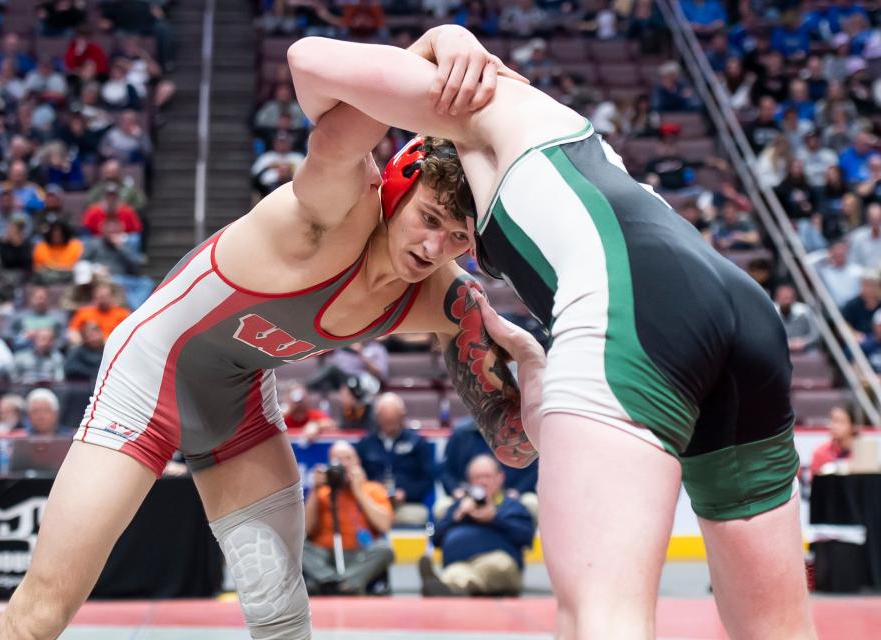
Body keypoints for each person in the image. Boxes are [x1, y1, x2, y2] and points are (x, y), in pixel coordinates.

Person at [0, 29, 528, 640]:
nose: (435, 249)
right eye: (429, 219)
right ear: (397, 189)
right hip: (150, 373)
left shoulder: (446, 297)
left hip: (235, 396)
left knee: (282, 622)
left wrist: (534, 376)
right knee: (40, 615)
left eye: (459, 238)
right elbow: (305, 60)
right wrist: (439, 39)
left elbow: (512, 445)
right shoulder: (334, 212)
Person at [289, 25, 816, 637]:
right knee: (777, 629)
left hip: (635, 301)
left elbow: (309, 62)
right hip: (740, 311)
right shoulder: (549, 149)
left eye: (452, 231)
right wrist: (535, 371)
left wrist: (437, 43)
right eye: (442, 230)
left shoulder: (470, 100)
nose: (438, 248)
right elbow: (518, 447)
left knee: (600, 619)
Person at [420, 454, 534, 596]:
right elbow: (436, 539)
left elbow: (526, 538)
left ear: (500, 478)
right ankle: (445, 589)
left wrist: (494, 519)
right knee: (454, 573)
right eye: (477, 477)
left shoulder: (510, 506)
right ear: (469, 481)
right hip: (460, 562)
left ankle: (449, 590)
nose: (482, 482)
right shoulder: (459, 506)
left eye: (487, 476)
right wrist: (457, 516)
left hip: (499, 561)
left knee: (494, 567)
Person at [302, 440, 395, 595]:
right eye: (338, 460)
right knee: (298, 547)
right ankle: (337, 582)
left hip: (360, 554)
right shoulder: (322, 492)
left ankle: (339, 585)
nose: (343, 464)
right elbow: (305, 530)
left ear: (357, 462)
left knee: (384, 549)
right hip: (325, 556)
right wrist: (314, 491)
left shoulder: (372, 489)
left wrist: (359, 491)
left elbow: (384, 526)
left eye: (348, 458)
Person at [437, 415, 539, 520]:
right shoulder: (461, 433)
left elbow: (532, 470)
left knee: (531, 503)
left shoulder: (519, 432)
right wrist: (455, 490)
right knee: (442, 507)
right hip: (468, 493)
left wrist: (518, 490)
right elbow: (445, 470)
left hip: (509, 494)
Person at [356, 392, 435, 526]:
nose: (389, 427)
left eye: (393, 422)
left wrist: (405, 493)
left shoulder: (418, 443)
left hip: (407, 503)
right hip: (372, 501)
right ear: (377, 418)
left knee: (415, 516)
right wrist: (374, 493)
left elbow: (428, 479)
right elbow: (359, 476)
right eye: (385, 421)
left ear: (402, 417)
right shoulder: (365, 444)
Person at [810, 406, 859, 474]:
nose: (834, 426)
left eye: (841, 422)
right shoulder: (820, 453)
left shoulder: (863, 452)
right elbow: (814, 482)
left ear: (853, 426)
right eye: (832, 421)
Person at [773, 283, 820, 353]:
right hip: (779, 350)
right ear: (776, 298)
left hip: (805, 349)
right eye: (783, 298)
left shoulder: (805, 311)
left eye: (788, 298)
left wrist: (804, 342)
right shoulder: (771, 312)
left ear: (794, 299)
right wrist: (786, 343)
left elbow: (816, 334)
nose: (786, 302)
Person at [841, 272, 881, 343]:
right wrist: (855, 335)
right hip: (861, 341)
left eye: (872, 286)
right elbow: (844, 326)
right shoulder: (852, 305)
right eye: (866, 286)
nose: (869, 290)